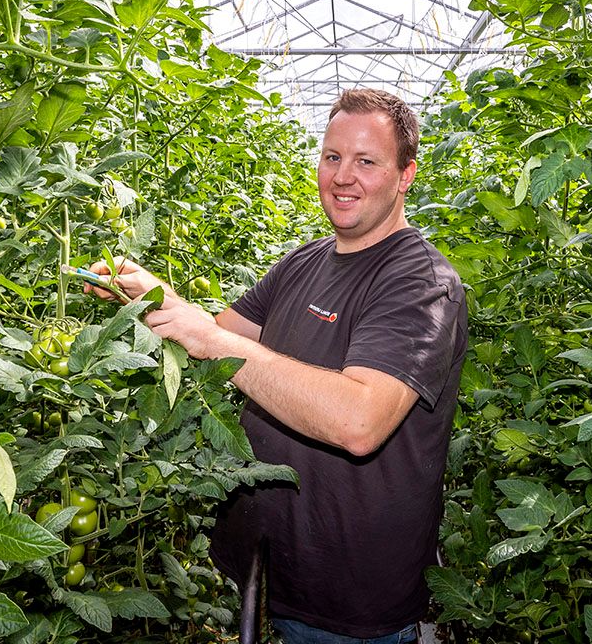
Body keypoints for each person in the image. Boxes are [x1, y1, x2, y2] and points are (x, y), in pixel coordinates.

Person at [86, 89, 467, 643]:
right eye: (332, 156)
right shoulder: (304, 261)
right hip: (273, 569)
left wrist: (210, 340)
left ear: (405, 176)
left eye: (366, 161)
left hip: (351, 596)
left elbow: (359, 422)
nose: (342, 176)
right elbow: (218, 331)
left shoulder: (420, 283)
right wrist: (152, 297)